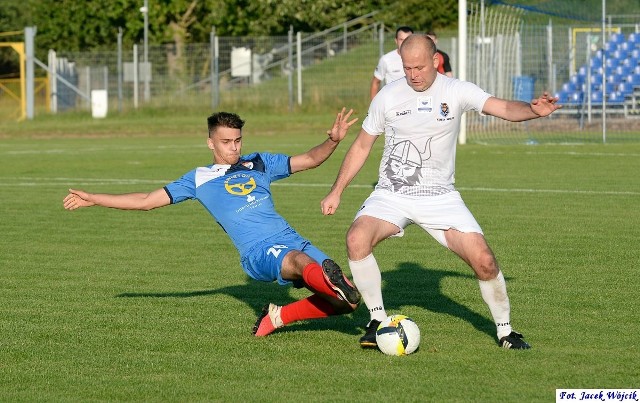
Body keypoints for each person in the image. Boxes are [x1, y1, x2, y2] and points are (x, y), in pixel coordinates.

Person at [321, 34, 562, 350]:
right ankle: (377, 320)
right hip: (392, 194)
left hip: (440, 197)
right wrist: (336, 190)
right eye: (407, 68)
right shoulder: (387, 96)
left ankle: (506, 332)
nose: (413, 75)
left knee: (485, 262)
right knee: (356, 238)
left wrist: (533, 111)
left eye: (419, 67)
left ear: (435, 61)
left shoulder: (456, 90)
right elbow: (363, 144)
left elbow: (501, 107)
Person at [63, 108, 362, 337]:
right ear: (210, 142)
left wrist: (332, 140)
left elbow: (310, 159)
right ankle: (340, 290)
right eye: (226, 142)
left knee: (347, 302)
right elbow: (145, 200)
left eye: (237, 140)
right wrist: (94, 197)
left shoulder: (259, 162)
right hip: (259, 251)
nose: (233, 147)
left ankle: (278, 317)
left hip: (292, 237)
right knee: (298, 261)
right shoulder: (198, 179)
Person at [369, 26, 414, 100]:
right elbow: (375, 83)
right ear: (396, 40)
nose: (405, 42)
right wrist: (373, 107)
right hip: (392, 105)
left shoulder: (420, 58)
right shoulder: (386, 59)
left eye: (408, 39)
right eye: (401, 39)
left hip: (413, 104)